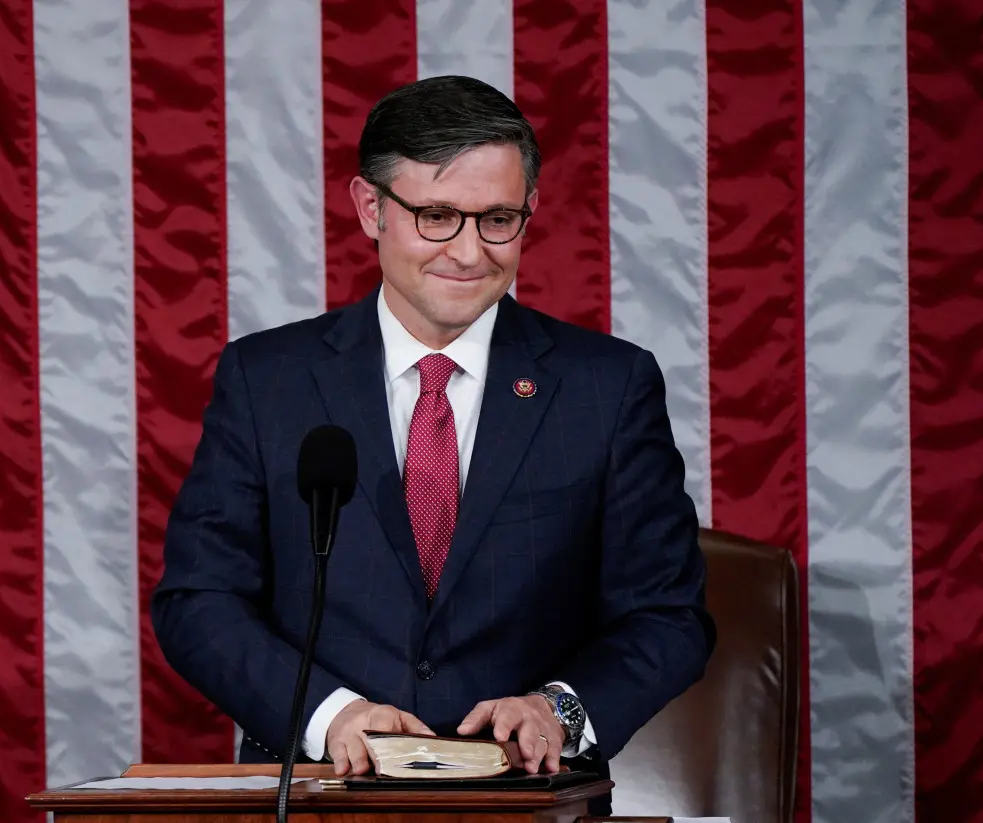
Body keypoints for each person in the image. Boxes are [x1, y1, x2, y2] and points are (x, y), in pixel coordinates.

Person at [151, 75, 715, 792]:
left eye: (498, 218)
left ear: (530, 211)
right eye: (439, 216)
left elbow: (667, 617)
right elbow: (198, 600)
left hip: (526, 798)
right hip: (321, 791)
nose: (470, 251)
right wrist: (333, 716)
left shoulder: (608, 387)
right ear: (370, 209)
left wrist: (559, 711)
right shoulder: (268, 380)